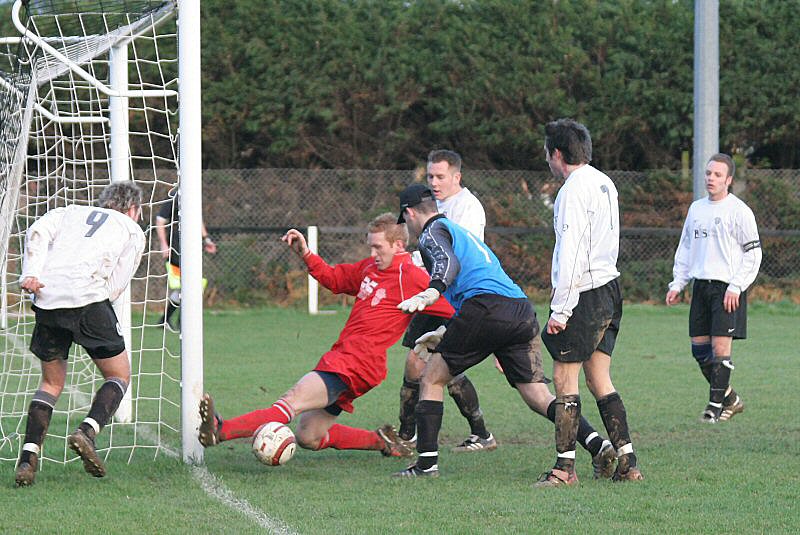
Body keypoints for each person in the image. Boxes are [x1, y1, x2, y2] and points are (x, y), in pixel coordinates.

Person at [392, 184, 616, 479]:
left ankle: (426, 465)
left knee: (431, 376)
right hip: (519, 309)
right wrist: (447, 330)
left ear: (409, 213)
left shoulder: (431, 233)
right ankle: (598, 445)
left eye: (405, 219)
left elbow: (448, 265)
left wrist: (431, 292)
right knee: (537, 394)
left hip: (486, 308)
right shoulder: (461, 231)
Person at [198, 213, 454, 460]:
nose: (372, 254)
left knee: (290, 402)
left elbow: (451, 310)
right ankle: (383, 442)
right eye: (370, 247)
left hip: (356, 362)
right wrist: (306, 254)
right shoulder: (369, 267)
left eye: (378, 248)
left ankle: (221, 431)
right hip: (350, 360)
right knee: (309, 436)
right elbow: (335, 279)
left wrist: (448, 334)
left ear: (398, 245)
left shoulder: (409, 276)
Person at [14, 181, 146, 487]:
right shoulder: (131, 228)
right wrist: (97, 313)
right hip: (89, 300)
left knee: (50, 383)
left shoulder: (68, 212)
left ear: (102, 202)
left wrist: (31, 273)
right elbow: (117, 284)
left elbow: (37, 231)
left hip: (47, 298)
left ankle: (27, 459)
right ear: (133, 209)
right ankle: (87, 431)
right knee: (119, 375)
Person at [536, 118, 642, 486]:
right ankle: (628, 463)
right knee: (599, 377)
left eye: (548, 152)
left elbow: (572, 254)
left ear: (557, 153)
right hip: (610, 287)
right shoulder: (603, 182)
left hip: (584, 293)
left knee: (565, 377)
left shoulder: (571, 191)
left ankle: (564, 470)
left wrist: (561, 309)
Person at [397, 149, 496, 453]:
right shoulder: (431, 205)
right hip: (434, 294)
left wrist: (410, 259)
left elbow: (455, 257)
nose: (434, 182)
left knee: (437, 366)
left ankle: (478, 433)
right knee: (417, 362)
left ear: (457, 176)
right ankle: (407, 433)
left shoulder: (468, 208)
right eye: (430, 176)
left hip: (456, 297)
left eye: (440, 176)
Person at [666, 153, 761, 423]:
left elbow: (753, 254)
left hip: (727, 290)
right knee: (699, 350)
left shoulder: (739, 211)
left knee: (721, 351)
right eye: (708, 173)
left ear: (728, 180)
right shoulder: (696, 209)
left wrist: (737, 286)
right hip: (700, 287)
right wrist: (678, 283)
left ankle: (714, 409)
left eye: (718, 174)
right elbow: (685, 249)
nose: (711, 178)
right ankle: (731, 399)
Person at [155, 191, 216, 330]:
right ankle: (178, 322)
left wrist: (206, 239)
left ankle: (170, 320)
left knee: (192, 284)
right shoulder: (174, 196)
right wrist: (164, 244)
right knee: (189, 283)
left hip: (191, 247)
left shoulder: (192, 193)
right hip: (176, 247)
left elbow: (197, 218)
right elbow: (160, 220)